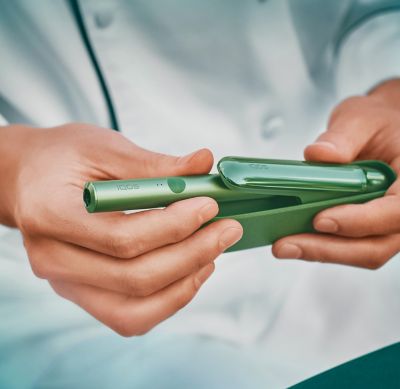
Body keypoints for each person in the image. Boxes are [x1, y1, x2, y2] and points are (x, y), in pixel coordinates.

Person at [1, 1, 400, 387]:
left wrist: (393, 95)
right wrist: (15, 170)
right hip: (53, 303)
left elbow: (374, 11)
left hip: (333, 258)